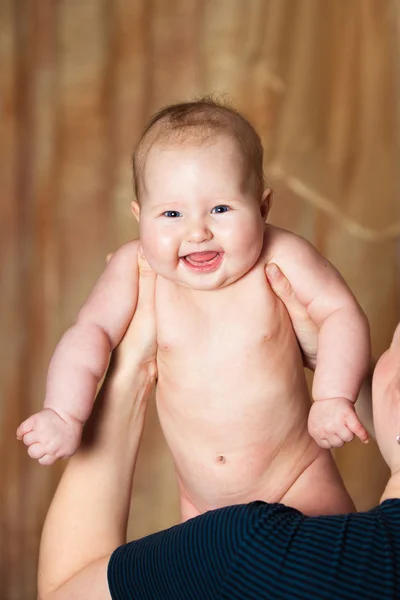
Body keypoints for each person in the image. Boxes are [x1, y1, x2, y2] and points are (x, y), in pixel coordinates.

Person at [18, 99, 371, 518]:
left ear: (262, 207)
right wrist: (63, 410)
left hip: (298, 479)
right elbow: (89, 332)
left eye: (220, 209)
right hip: (202, 504)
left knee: (325, 577)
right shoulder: (137, 267)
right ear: (139, 216)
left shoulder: (281, 256)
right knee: (213, 584)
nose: (198, 231)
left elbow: (340, 313)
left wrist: (332, 394)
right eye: (170, 213)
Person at [37, 250, 399, 600]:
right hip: (202, 504)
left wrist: (129, 371)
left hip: (289, 486)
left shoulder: (245, 548)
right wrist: (333, 376)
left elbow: (63, 594)